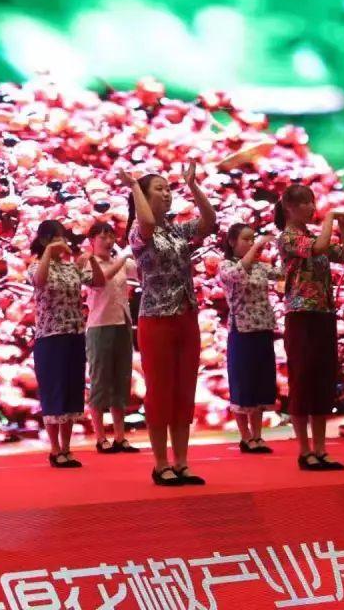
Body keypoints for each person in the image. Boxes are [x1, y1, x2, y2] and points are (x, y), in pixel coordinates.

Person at [121, 163, 216, 487]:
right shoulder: (138, 232)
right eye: (159, 189)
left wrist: (193, 185)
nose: (166, 194)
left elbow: (209, 221)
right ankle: (161, 463)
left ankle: (182, 462)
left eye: (168, 189)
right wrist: (134, 185)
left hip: (186, 315)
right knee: (160, 391)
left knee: (184, 390)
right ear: (144, 197)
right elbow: (147, 221)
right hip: (157, 318)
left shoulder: (176, 231)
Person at [276, 184, 344, 471]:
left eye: (313, 202)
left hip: (323, 313)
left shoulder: (312, 236)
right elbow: (318, 249)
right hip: (301, 316)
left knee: (322, 380)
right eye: (305, 203)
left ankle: (321, 449)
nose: (312, 207)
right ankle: (304, 450)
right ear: (290, 208)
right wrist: (331, 218)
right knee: (303, 380)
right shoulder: (288, 237)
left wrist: (342, 227)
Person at [28, 220, 106, 468]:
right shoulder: (36, 266)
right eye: (56, 237)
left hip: (74, 333)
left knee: (72, 390)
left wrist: (92, 259)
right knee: (54, 390)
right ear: (44, 241)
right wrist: (49, 253)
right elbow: (39, 281)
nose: (62, 242)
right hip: (50, 336)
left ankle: (66, 447)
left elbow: (99, 282)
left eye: (63, 237)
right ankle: (54, 449)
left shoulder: (71, 268)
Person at [218, 223, 281, 454]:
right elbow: (237, 274)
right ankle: (245, 437)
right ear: (232, 242)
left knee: (261, 383)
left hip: (263, 328)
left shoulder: (261, 267)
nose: (251, 243)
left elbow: (284, 272)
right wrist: (258, 246)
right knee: (243, 383)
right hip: (242, 331)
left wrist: (284, 247)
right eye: (246, 239)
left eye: (252, 239)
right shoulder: (226, 265)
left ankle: (257, 436)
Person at [85, 222, 141, 454]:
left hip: (122, 324)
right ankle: (100, 437)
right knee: (100, 380)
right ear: (92, 241)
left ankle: (120, 436)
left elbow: (141, 271)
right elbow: (102, 279)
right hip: (100, 326)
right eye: (103, 237)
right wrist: (124, 256)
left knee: (121, 380)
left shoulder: (122, 262)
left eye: (111, 237)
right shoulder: (89, 263)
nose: (108, 241)